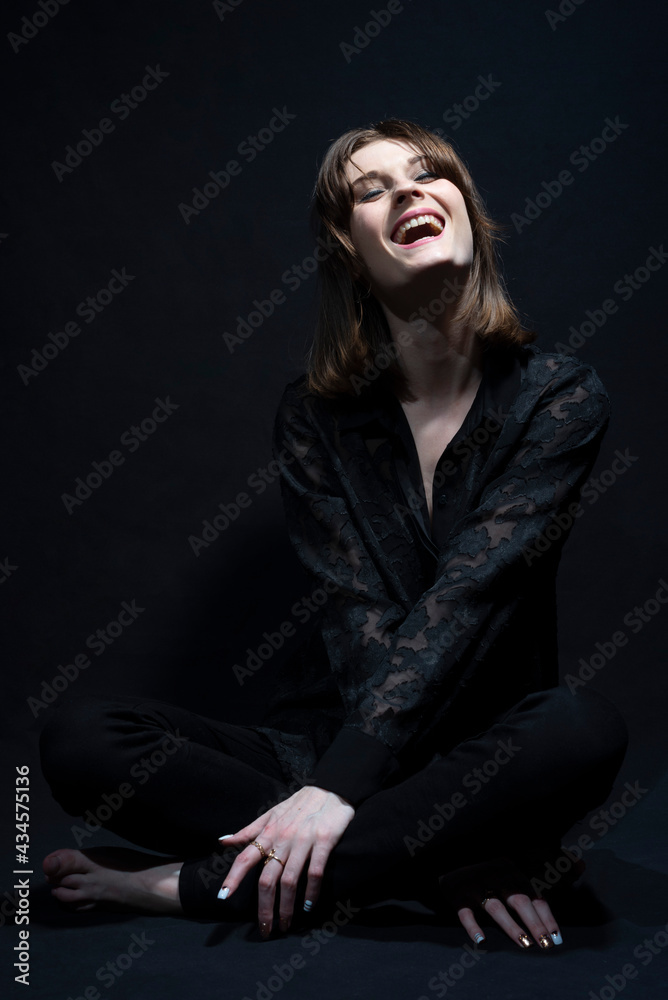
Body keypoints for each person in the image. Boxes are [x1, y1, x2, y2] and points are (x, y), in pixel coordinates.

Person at [39, 118, 628, 951]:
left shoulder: (559, 399)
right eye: (372, 189)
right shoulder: (316, 418)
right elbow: (358, 616)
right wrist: (367, 802)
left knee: (581, 728)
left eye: (429, 174)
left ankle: (198, 887)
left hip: (488, 760)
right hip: (338, 741)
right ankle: (431, 862)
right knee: (82, 740)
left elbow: (470, 600)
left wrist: (345, 793)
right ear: (347, 244)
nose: (409, 192)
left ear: (466, 209)